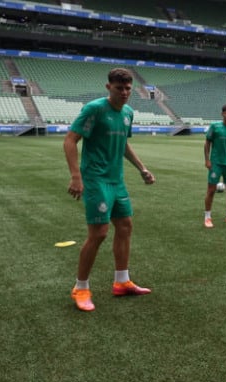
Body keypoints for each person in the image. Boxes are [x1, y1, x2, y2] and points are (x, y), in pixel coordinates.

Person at [64, 67, 155, 312]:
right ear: (108, 87)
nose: (125, 93)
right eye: (119, 88)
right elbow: (70, 140)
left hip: (117, 181)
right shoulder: (94, 109)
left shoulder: (127, 112)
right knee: (99, 233)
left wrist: (141, 168)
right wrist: (76, 176)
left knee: (125, 226)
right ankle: (80, 287)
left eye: (128, 88)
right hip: (95, 180)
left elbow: (123, 143)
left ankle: (122, 282)